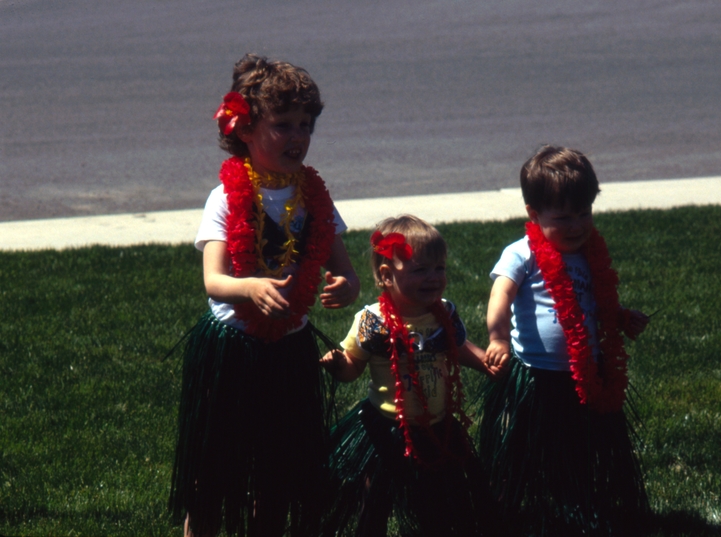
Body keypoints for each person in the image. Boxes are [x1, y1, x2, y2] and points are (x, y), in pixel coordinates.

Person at [169, 53, 360, 537]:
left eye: (305, 125)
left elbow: (343, 266)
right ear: (245, 129)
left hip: (290, 345)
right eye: (283, 125)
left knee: (278, 476)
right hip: (234, 349)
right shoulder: (226, 196)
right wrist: (250, 286)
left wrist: (347, 283)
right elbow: (214, 280)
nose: (297, 136)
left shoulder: (313, 194)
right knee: (212, 476)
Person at [479, 145, 651, 536]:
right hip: (536, 378)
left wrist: (622, 318)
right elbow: (500, 296)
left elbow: (597, 301)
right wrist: (498, 337)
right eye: (563, 217)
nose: (576, 225)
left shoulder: (590, 255)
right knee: (520, 449)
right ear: (534, 215)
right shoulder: (521, 254)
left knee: (578, 449)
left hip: (584, 375)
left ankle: (578, 503)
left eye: (584, 213)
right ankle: (508, 508)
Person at [320, 215, 504, 537]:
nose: (434, 278)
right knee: (374, 499)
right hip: (387, 429)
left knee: (444, 503)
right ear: (387, 276)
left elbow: (457, 347)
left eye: (440, 268)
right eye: (421, 270)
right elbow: (353, 366)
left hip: (438, 426)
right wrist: (339, 364)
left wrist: (485, 363)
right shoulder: (372, 321)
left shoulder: (443, 313)